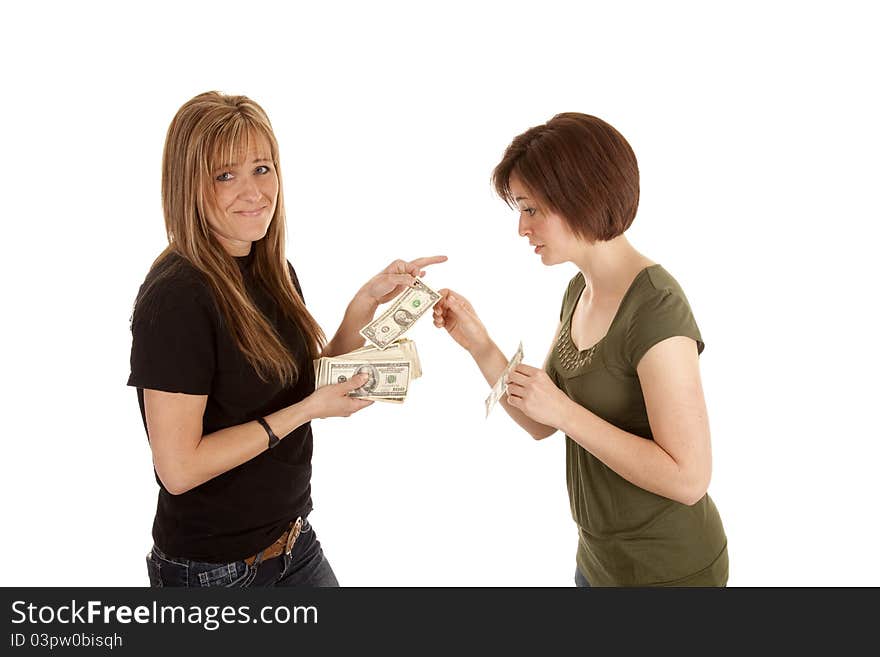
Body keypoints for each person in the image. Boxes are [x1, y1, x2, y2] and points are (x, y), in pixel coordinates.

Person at [128, 91, 446, 587]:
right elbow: (179, 468)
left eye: (262, 168)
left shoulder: (267, 267)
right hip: (216, 574)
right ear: (188, 185)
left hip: (294, 544)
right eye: (225, 175)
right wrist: (305, 412)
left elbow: (297, 384)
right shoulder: (176, 298)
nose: (255, 192)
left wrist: (365, 301)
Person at [433, 113, 728, 586]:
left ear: (579, 198)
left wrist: (567, 413)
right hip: (597, 562)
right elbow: (540, 421)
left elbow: (690, 479)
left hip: (669, 572)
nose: (522, 229)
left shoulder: (655, 306)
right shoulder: (579, 290)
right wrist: (478, 343)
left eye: (531, 209)